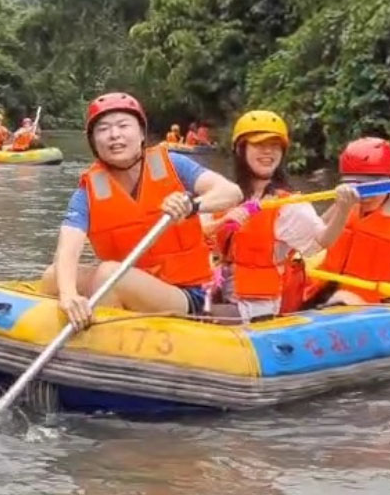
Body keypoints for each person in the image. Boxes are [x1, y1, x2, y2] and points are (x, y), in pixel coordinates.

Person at [41, 92, 243, 328]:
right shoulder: (88, 191)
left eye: (123, 125)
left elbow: (231, 192)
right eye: (103, 129)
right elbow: (68, 249)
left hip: (185, 292)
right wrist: (68, 295)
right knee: (54, 277)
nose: (114, 135)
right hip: (128, 277)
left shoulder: (173, 164)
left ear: (140, 133)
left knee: (110, 275)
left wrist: (193, 205)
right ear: (94, 141)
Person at [215, 110, 357, 320]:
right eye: (259, 145)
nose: (268, 152)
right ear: (240, 149)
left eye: (274, 146)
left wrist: (343, 209)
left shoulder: (290, 205)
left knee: (190, 314)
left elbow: (323, 240)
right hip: (225, 290)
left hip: (257, 308)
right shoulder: (227, 195)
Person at [319, 137, 390, 307]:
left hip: (382, 304)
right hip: (334, 294)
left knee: (343, 298)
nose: (365, 195)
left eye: (372, 187)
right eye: (356, 186)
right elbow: (312, 241)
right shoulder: (346, 203)